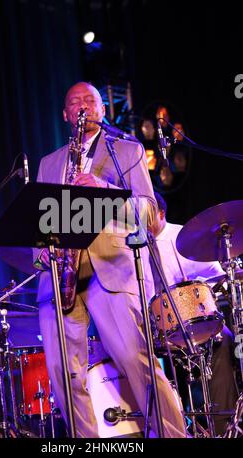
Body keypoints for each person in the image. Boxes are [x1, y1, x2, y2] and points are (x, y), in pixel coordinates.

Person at [33, 81, 187, 438]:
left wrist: (104, 191)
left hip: (110, 268)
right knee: (63, 376)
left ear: (103, 110)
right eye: (75, 102)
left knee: (136, 361)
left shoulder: (127, 150)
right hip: (62, 274)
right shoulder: (48, 163)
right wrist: (40, 249)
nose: (82, 106)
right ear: (65, 114)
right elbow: (40, 225)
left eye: (91, 100)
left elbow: (148, 213)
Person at [141, 192, 238, 435]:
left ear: (161, 214)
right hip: (158, 332)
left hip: (196, 322)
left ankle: (224, 426)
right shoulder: (135, 246)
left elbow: (218, 279)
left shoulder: (186, 238)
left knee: (224, 339)